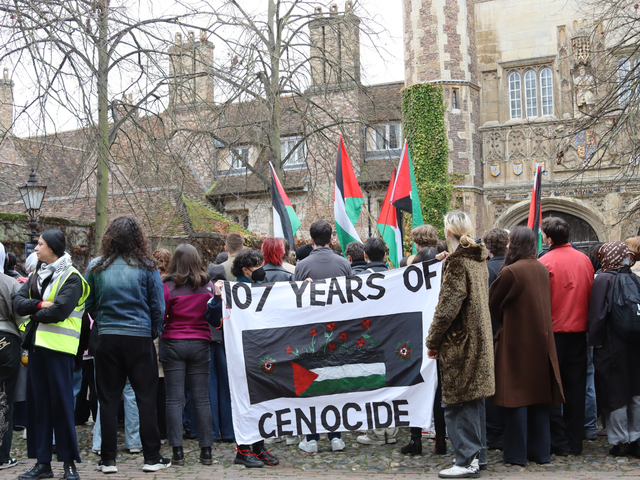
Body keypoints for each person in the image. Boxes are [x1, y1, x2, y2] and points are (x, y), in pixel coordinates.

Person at [84, 216, 169, 474]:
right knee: (145, 398)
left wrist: (104, 322)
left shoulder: (96, 266)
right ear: (138, 239)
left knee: (108, 399)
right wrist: (153, 331)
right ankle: (151, 457)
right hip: (140, 338)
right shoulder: (147, 266)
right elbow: (158, 306)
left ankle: (108, 460)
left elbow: (89, 304)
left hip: (108, 338)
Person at [13, 230, 89, 480]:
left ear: (53, 248)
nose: (35, 248)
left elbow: (60, 312)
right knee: (39, 408)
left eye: (40, 244)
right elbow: (17, 303)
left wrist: (35, 310)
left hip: (60, 352)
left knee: (62, 407)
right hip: (36, 349)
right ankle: (42, 463)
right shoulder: (36, 274)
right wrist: (39, 305)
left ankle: (69, 464)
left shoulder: (72, 277)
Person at [426, 211, 494, 478]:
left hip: (460, 343)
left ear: (447, 232)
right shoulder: (477, 260)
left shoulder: (458, 263)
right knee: (473, 400)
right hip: (478, 340)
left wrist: (433, 340)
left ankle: (466, 461)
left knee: (456, 404)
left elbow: (447, 309)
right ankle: (478, 456)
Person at [489, 227, 565, 466]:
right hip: (541, 342)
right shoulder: (541, 268)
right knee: (539, 398)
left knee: (516, 399)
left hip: (516, 343)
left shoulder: (512, 271)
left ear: (516, 244)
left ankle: (516, 454)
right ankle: (540, 452)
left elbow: (493, 304)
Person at [539, 216, 594, 456]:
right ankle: (575, 442)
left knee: (552, 390)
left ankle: (558, 442)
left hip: (554, 334)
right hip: (580, 333)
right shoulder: (584, 260)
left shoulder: (545, 261)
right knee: (576, 389)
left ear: (549, 239)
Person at [295, 220, 352, 453]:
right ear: (331, 239)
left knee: (310, 383)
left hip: (311, 334)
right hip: (338, 333)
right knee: (334, 383)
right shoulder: (344, 263)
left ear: (311, 240)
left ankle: (311, 438)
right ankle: (335, 436)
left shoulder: (302, 266)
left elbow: (294, 300)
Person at [160, 244, 215, 466]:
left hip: (173, 341)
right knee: (202, 399)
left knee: (174, 399)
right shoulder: (208, 285)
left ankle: (177, 452)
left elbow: (161, 315)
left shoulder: (168, 286)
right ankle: (206, 451)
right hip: (200, 342)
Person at [587, 241, 640, 457]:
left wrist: (595, 342)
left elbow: (598, 316)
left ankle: (619, 441)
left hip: (611, 346)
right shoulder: (635, 279)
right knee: (636, 391)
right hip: (635, 344)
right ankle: (637, 437)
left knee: (615, 392)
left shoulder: (604, 280)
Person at [229, 249, 279, 467]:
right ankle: (243, 450)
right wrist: (217, 297)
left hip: (260, 352)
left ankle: (259, 447)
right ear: (245, 270)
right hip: (242, 355)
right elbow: (212, 316)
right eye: (256, 266)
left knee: (261, 400)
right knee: (245, 402)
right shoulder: (233, 291)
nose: (261, 269)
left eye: (261, 264)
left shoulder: (260, 289)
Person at [356, 238, 397, 445]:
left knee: (372, 385)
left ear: (365, 256)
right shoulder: (396, 276)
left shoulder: (358, 280)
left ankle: (376, 433)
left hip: (368, 340)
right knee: (391, 383)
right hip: (392, 338)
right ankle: (391, 431)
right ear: (384, 256)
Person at [482, 227, 509, 450]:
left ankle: (495, 431)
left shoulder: (487, 269)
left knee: (491, 384)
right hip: (512, 332)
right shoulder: (512, 266)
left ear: (488, 247)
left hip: (492, 331)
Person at [0, 244, 24, 470]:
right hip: (6, 342)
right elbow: (20, 317)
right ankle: (2, 456)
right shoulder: (10, 283)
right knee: (4, 400)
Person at [205, 265, 234, 445]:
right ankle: (229, 431)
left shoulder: (205, 292)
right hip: (226, 344)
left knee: (210, 389)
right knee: (227, 388)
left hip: (208, 342)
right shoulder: (233, 293)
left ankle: (213, 431)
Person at [151, 248, 171, 444]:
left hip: (154, 337)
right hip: (166, 336)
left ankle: (156, 429)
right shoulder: (170, 284)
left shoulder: (152, 281)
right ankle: (164, 431)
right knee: (164, 388)